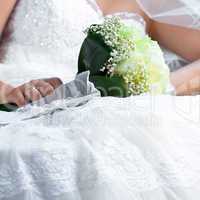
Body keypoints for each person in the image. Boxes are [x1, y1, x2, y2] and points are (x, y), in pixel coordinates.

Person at [0, 0, 200, 199]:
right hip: (29, 99)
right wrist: (8, 92)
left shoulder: (149, 4)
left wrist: (156, 86)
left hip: (106, 108)